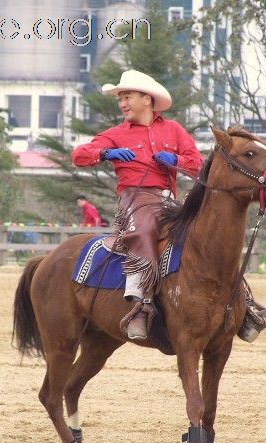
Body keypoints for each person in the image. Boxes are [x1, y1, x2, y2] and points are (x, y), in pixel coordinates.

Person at [71, 69, 203, 340]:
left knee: (210, 232)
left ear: (147, 99)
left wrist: (175, 160)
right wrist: (106, 152)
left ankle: (242, 302)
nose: (122, 103)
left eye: (127, 96)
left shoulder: (174, 129)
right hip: (135, 198)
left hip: (170, 199)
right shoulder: (115, 134)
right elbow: (79, 155)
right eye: (120, 98)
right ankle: (140, 303)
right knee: (143, 231)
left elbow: (197, 164)